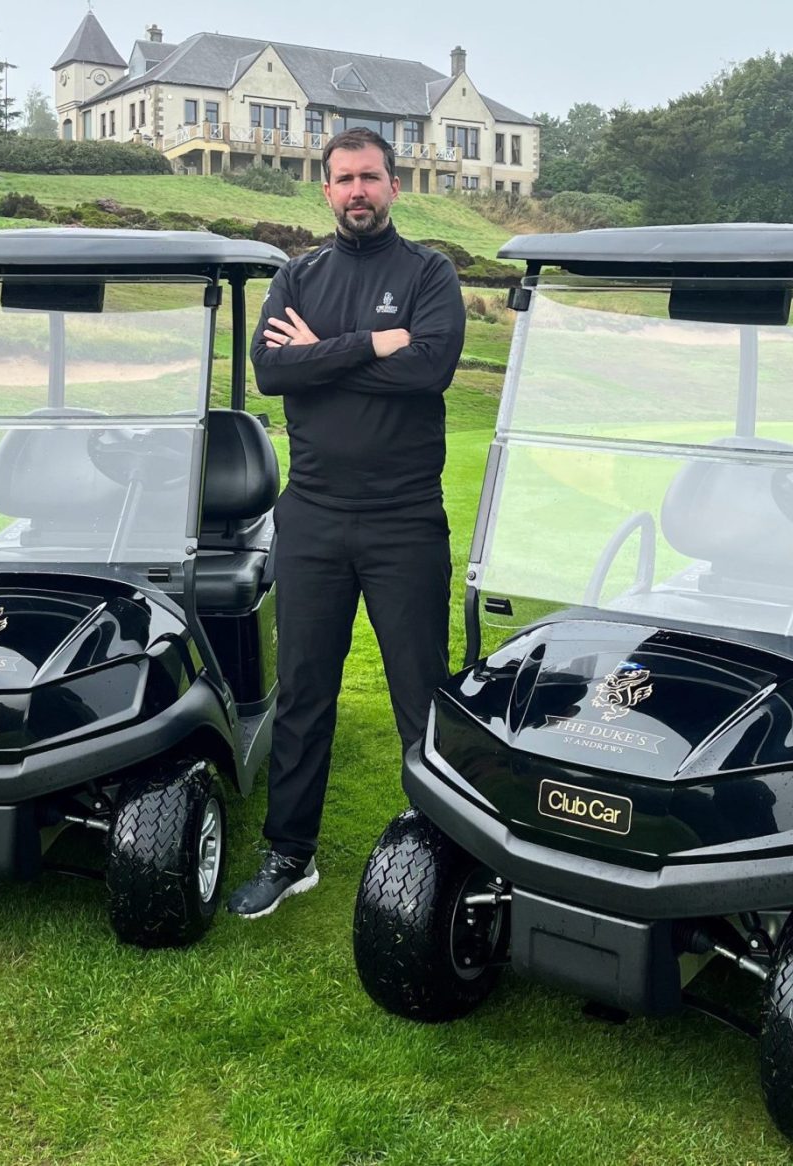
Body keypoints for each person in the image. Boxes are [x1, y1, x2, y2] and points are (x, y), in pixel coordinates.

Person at [225, 128, 465, 918]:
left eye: (370, 177)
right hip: (315, 518)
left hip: (405, 519)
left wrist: (323, 353)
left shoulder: (430, 272)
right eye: (342, 179)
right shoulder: (298, 274)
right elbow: (270, 370)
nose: (357, 190)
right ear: (324, 191)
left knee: (421, 697)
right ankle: (290, 854)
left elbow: (429, 368)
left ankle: (444, 855)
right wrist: (369, 345)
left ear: (395, 185)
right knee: (303, 693)